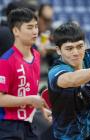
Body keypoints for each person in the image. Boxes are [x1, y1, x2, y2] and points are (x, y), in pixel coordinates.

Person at [0, 8, 50, 140]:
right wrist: (30, 100)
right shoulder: (6, 61)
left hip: (29, 124)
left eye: (35, 27)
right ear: (16, 31)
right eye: (29, 27)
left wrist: (42, 109)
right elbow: (0, 99)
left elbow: (29, 91)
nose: (35, 31)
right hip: (7, 127)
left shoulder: (37, 56)